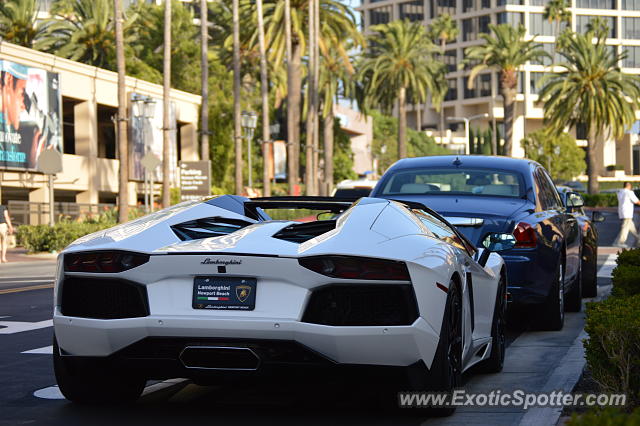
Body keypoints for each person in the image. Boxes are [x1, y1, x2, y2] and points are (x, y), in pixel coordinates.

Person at [614, 182, 640, 248]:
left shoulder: (620, 192)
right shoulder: (629, 192)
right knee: (625, 227)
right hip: (628, 213)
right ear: (629, 186)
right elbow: (636, 201)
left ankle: (638, 238)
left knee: (631, 227)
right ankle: (620, 242)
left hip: (622, 212)